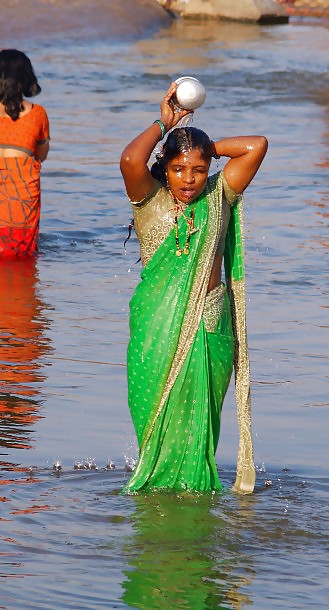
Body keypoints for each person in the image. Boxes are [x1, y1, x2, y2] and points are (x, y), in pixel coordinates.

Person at [120, 82, 268, 495]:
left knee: (200, 426)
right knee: (157, 425)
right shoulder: (150, 202)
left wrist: (206, 147)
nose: (189, 179)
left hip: (208, 323)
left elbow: (257, 145)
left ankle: (196, 497)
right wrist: (162, 124)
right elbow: (131, 158)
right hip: (157, 330)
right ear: (164, 169)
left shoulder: (220, 195)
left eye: (198, 170)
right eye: (179, 169)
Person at [0, 49, 50, 258]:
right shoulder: (38, 113)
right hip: (21, 196)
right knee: (21, 259)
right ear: (26, 79)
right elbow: (41, 154)